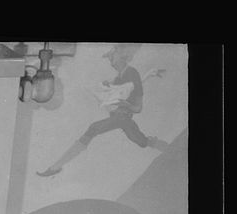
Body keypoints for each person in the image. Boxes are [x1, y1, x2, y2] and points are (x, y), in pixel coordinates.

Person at [38, 44, 167, 178]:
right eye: (109, 57)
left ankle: (56, 167)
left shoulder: (131, 72)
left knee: (96, 129)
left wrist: (125, 103)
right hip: (119, 118)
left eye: (112, 56)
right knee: (142, 142)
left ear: (124, 56)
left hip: (123, 117)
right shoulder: (119, 77)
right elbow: (131, 88)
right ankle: (56, 166)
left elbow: (137, 107)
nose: (110, 60)